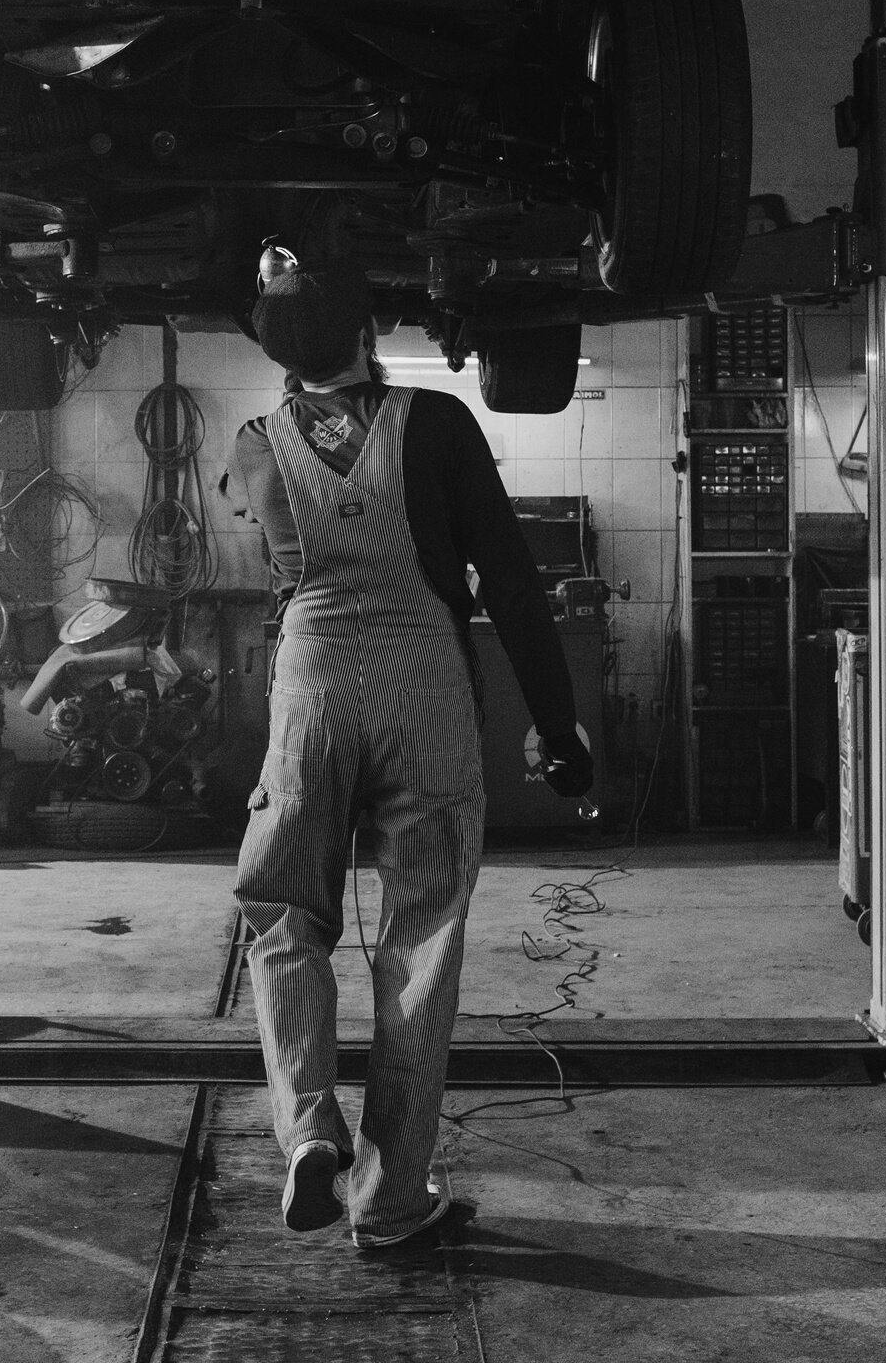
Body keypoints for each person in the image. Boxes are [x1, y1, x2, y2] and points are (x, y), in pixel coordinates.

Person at [223, 253, 593, 1250]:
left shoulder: (255, 445)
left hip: (307, 684)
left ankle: (306, 1129)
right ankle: (388, 1203)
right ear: (365, 334)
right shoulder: (432, 421)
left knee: (281, 912)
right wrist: (557, 728)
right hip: (422, 686)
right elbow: (511, 579)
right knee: (419, 940)